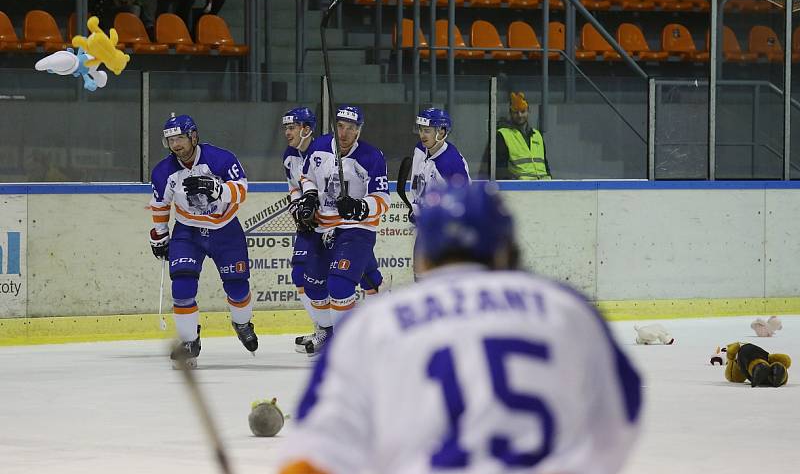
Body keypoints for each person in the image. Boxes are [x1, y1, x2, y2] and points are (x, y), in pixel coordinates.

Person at [280, 182, 642, 474]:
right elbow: (622, 413)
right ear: (507, 247)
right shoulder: (566, 309)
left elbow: (317, 448)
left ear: (423, 255)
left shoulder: (376, 321)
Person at [149, 114, 258, 368]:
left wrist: (220, 189)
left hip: (225, 230)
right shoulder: (163, 171)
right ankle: (189, 342)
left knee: (238, 287)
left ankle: (242, 323)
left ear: (193, 136)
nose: (175, 145)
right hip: (188, 232)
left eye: (179, 138)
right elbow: (160, 204)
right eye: (170, 140)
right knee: (182, 287)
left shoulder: (221, 159)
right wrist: (160, 234)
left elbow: (242, 188)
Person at [294, 105, 389, 356]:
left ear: (359, 130)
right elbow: (307, 177)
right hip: (323, 227)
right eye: (341, 126)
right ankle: (327, 332)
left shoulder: (371, 156)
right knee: (313, 285)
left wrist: (359, 207)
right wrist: (311, 197)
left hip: (357, 228)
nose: (344, 133)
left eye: (351, 128)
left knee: (339, 284)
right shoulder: (320, 147)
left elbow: (382, 198)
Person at [409, 107, 470, 222]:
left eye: (427, 131)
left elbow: (462, 203)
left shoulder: (451, 163)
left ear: (441, 133)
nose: (422, 135)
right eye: (421, 130)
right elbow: (417, 183)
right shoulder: (420, 149)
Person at [496, 91, 551, 180]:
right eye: (516, 112)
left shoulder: (537, 135)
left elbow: (545, 164)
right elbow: (500, 169)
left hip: (545, 186)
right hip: (520, 189)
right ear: (510, 113)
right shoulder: (503, 135)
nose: (520, 115)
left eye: (523, 111)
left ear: (528, 111)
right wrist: (515, 182)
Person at [723, 342, 791, 387]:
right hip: (764, 354)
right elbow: (787, 361)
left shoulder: (738, 356)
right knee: (768, 360)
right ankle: (780, 371)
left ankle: (759, 366)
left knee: (752, 362)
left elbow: (733, 377)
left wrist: (730, 358)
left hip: (745, 353)